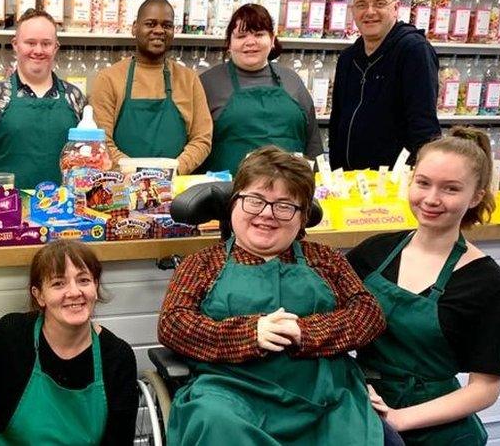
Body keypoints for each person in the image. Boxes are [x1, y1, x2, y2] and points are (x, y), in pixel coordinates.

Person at [158, 146, 387, 445]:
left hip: (323, 396)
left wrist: (304, 331)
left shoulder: (325, 259)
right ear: (233, 204)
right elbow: (173, 324)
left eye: (284, 206)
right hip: (230, 393)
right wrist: (250, 333)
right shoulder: (202, 263)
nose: (266, 214)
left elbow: (369, 314)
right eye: (255, 201)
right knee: (214, 421)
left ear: (303, 216)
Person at [347, 127, 500, 446]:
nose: (431, 199)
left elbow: (485, 388)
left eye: (450, 189)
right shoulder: (372, 253)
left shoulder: (486, 282)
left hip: (439, 430)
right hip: (364, 411)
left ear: (475, 196)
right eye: (423, 183)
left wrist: (400, 419)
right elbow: (326, 326)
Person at [0, 239, 138, 445]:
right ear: (39, 296)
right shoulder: (11, 336)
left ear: (96, 287)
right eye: (58, 283)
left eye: (83, 280)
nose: (74, 292)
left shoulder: (117, 357)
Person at [329, 0, 441, 170]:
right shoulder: (348, 58)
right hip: (348, 183)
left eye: (379, 3)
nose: (370, 12)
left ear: (395, 8)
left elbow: (423, 125)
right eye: (362, 5)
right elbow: (337, 120)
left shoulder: (413, 50)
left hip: (391, 185)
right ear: (353, 11)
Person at [90, 0, 212, 173]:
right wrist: (138, 175)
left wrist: (174, 170)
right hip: (123, 188)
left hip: (175, 187)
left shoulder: (189, 79)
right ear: (134, 28)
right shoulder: (109, 79)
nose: (159, 30)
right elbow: (102, 141)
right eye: (150, 24)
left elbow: (202, 138)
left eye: (167, 25)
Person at [0, 9, 86, 190]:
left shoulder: (75, 98)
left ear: (56, 47)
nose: (38, 50)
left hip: (62, 211)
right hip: (4, 210)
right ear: (15, 44)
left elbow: (85, 158)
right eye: (30, 43)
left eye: (46, 44)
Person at [198, 4, 322, 174]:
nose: (250, 42)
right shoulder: (207, 83)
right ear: (229, 43)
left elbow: (313, 143)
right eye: (241, 36)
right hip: (227, 194)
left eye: (259, 34)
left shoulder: (292, 81)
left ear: (272, 40)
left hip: (289, 193)